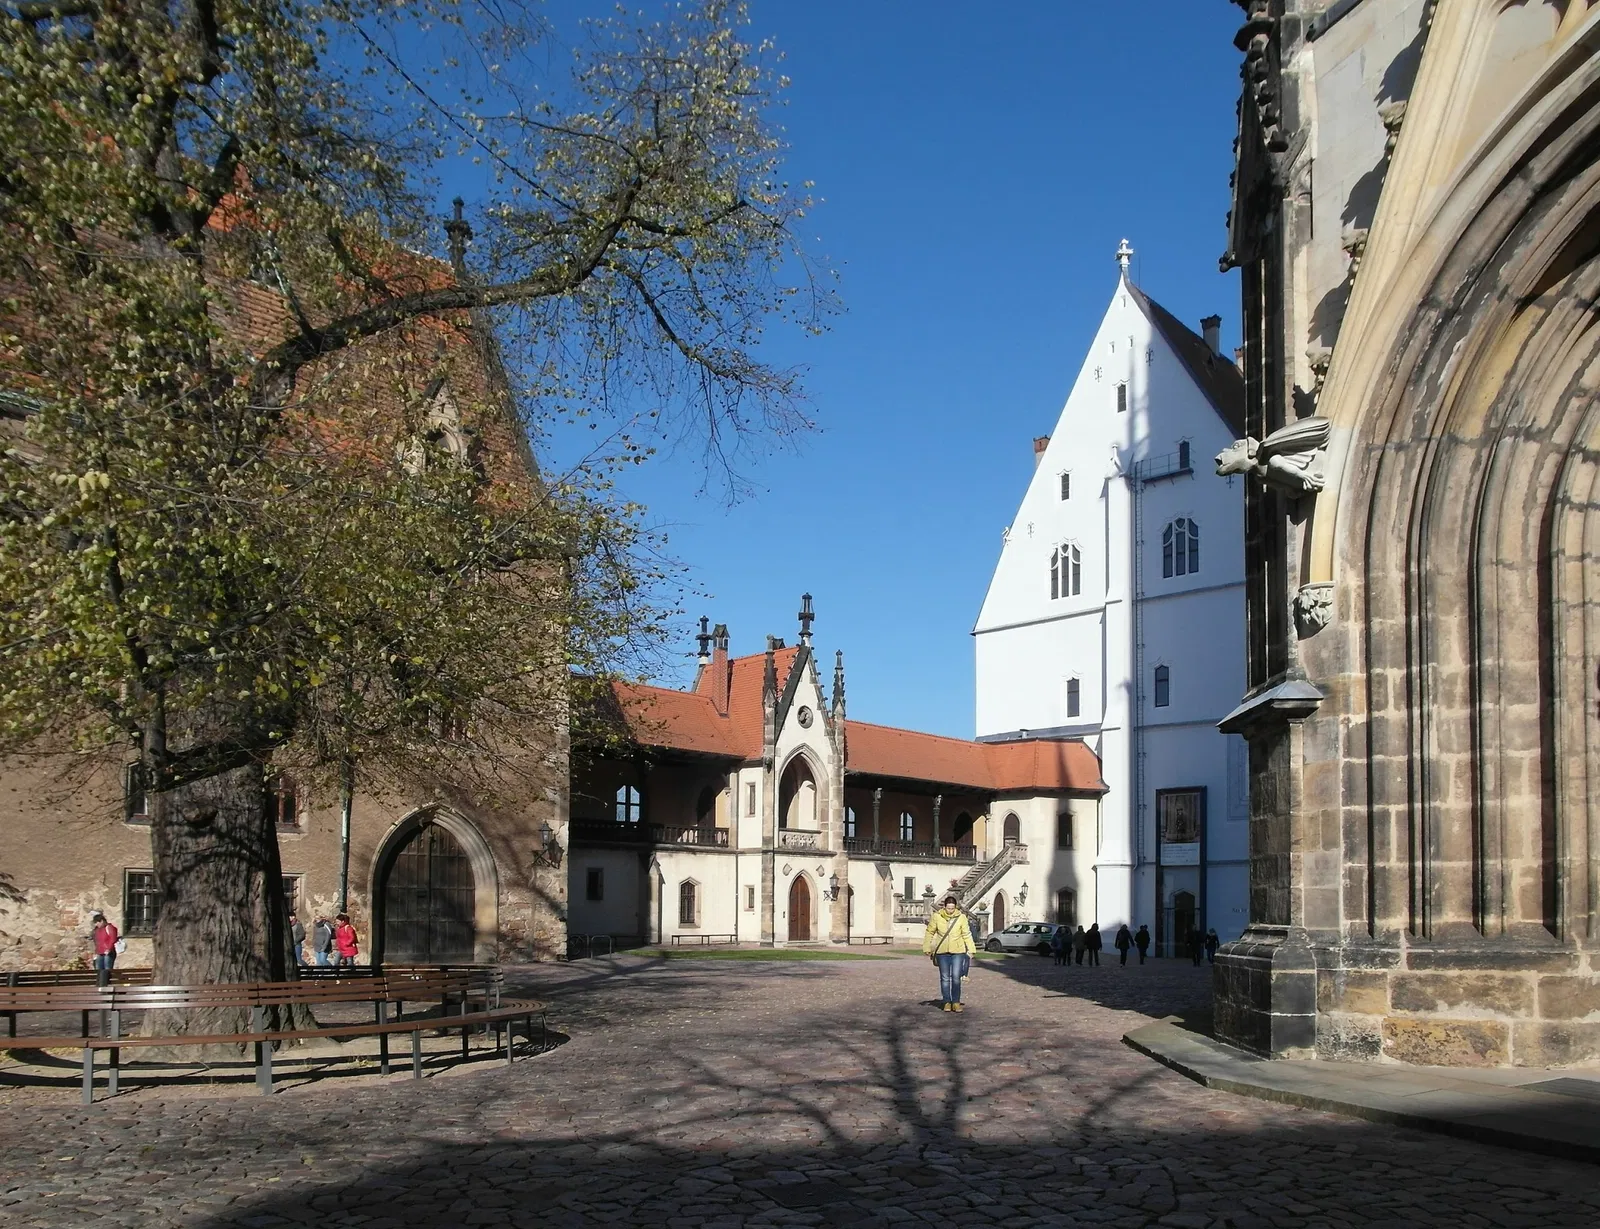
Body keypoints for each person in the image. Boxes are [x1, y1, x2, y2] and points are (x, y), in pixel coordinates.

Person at [921, 894, 975, 1012]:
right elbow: (930, 932)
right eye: (948, 908)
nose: (950, 910)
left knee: (956, 977)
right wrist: (927, 947)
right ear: (944, 907)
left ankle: (956, 1002)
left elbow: (966, 934)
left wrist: (971, 949)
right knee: (945, 978)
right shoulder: (937, 917)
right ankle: (946, 1001)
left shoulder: (961, 918)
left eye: (952, 908)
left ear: (955, 907)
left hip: (958, 951)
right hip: (942, 952)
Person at [90, 912, 119, 986]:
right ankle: (99, 985)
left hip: (107, 952)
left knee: (107, 969)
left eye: (97, 923)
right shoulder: (97, 930)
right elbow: (97, 941)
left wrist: (109, 948)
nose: (97, 925)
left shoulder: (109, 928)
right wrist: (96, 952)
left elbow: (113, 939)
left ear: (102, 921)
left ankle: (106, 985)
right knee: (99, 969)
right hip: (100, 952)